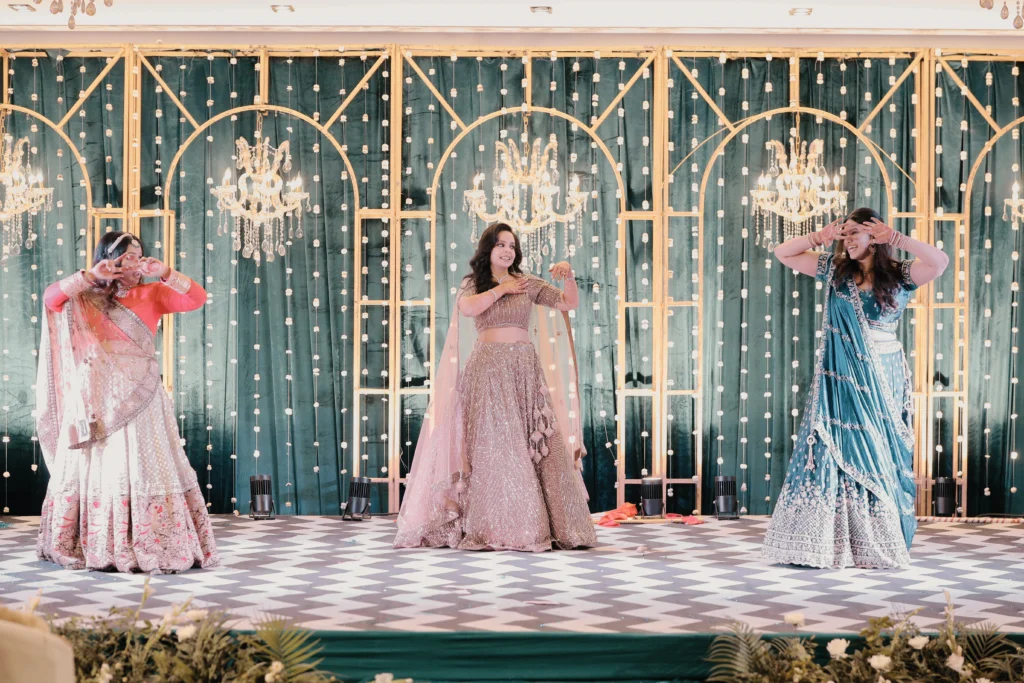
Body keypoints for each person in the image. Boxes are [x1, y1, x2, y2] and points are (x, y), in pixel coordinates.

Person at [761, 208, 949, 569]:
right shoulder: (835, 270)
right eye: (844, 234)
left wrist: (896, 238)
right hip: (839, 376)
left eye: (854, 234)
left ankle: (876, 538)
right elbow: (783, 253)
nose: (847, 241)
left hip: (882, 376)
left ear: (873, 238)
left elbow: (939, 262)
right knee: (833, 447)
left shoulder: (899, 274)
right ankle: (826, 541)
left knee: (877, 449)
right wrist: (821, 236)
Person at [394, 223, 597, 552]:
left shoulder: (527, 283)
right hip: (487, 370)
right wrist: (502, 289)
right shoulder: (473, 284)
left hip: (523, 370)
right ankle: (501, 527)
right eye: (501, 244)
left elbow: (567, 303)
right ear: (488, 249)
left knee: (542, 443)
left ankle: (561, 526)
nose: (507, 250)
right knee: (496, 446)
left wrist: (569, 275)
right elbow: (467, 308)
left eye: (512, 246)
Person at [35, 231, 219, 573]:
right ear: (108, 259)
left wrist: (165, 272)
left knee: (142, 463)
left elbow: (196, 298)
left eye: (138, 255)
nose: (133, 262)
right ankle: (94, 541)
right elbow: (50, 299)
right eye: (124, 256)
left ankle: (149, 540)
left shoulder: (154, 292)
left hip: (141, 396)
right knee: (100, 464)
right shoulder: (85, 295)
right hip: (95, 396)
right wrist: (91, 276)